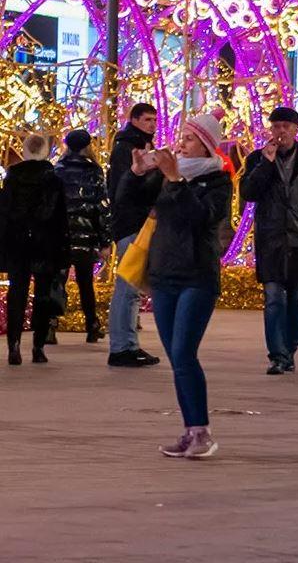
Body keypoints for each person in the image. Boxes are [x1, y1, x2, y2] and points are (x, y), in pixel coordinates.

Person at [123, 112, 232, 458]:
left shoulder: (217, 180)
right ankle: (190, 430)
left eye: (188, 138)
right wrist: (136, 173)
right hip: (164, 275)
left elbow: (201, 217)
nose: (180, 142)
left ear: (206, 144)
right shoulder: (169, 174)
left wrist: (176, 180)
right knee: (176, 357)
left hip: (197, 276)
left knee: (185, 353)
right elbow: (127, 201)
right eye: (181, 136)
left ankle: (202, 433)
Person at [240, 106, 298, 375]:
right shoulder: (258, 158)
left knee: (296, 299)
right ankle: (278, 355)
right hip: (270, 238)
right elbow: (248, 192)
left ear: (296, 129)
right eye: (276, 126)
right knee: (273, 298)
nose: (280, 131)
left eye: (286, 126)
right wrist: (265, 165)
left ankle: (290, 347)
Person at [3, 134, 69, 365]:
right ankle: (38, 347)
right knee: (42, 295)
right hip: (45, 244)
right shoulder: (53, 179)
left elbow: (5, 213)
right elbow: (61, 218)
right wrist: (63, 251)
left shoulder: (12, 178)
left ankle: (14, 345)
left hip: (17, 243)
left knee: (17, 294)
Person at [106, 102, 162, 367]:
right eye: (147, 120)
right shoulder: (127, 149)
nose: (153, 124)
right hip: (130, 225)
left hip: (136, 224)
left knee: (132, 288)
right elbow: (123, 190)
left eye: (154, 120)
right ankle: (121, 348)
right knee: (127, 287)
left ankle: (128, 345)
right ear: (135, 120)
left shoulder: (139, 146)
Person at [57, 129, 112, 343]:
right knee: (85, 283)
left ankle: (51, 324)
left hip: (61, 235)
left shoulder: (58, 170)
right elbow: (102, 207)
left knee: (58, 281)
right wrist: (105, 240)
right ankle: (92, 325)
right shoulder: (94, 171)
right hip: (86, 235)